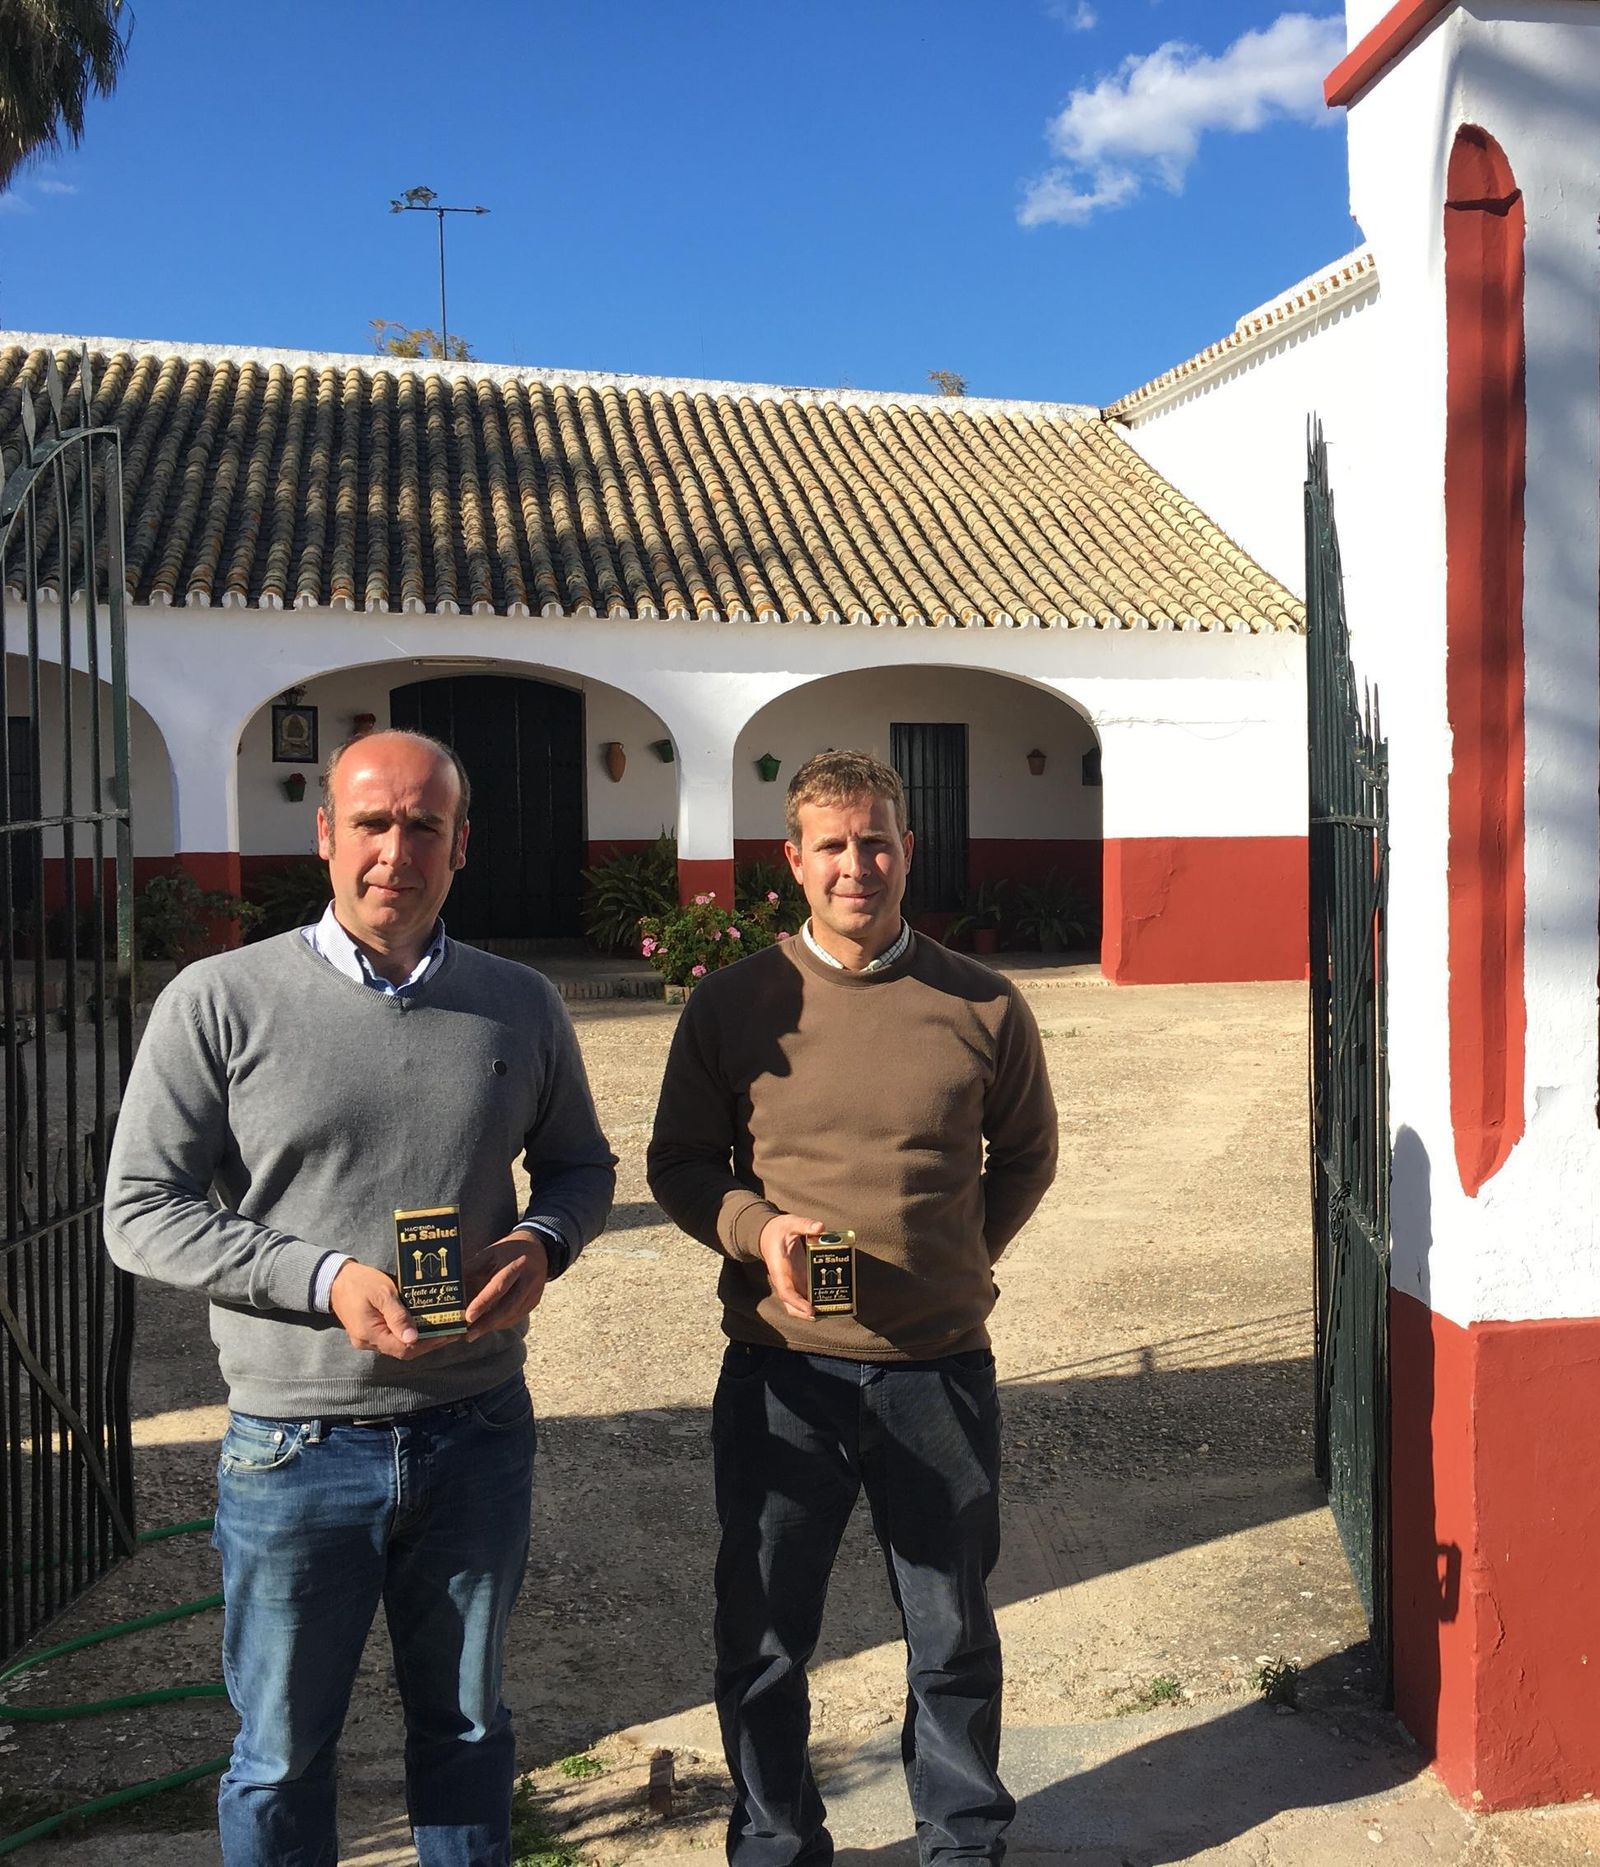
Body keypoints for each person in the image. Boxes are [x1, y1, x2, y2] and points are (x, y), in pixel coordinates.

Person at [105, 728, 616, 1867]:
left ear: (460, 845)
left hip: (476, 1432)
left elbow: (582, 1167)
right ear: (326, 835)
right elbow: (139, 1209)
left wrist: (543, 1240)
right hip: (294, 1447)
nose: (397, 850)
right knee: (282, 1754)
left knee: (471, 1729)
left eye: (423, 826)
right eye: (373, 823)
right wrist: (324, 1278)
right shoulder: (219, 1000)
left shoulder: (519, 1003)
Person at [647, 749, 1058, 1866]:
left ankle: (962, 1840)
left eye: (875, 839)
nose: (855, 864)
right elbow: (679, 1163)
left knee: (951, 1632)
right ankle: (777, 1840)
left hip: (937, 1368)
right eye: (831, 843)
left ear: (905, 849)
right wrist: (754, 1229)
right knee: (767, 1638)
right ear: (792, 860)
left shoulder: (981, 1003)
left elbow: (1024, 1154)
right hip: (784, 1373)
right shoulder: (736, 1004)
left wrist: (963, 1258)